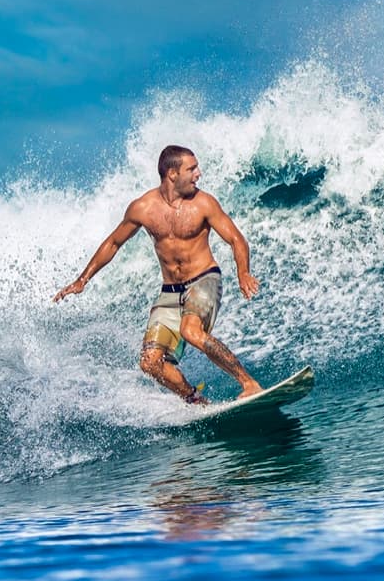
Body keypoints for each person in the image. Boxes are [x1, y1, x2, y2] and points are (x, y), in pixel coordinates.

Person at [53, 145, 264, 403]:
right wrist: (82, 280)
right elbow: (113, 243)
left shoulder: (203, 204)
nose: (198, 174)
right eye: (192, 169)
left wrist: (243, 272)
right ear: (172, 174)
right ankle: (196, 401)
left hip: (204, 279)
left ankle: (249, 383)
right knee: (150, 362)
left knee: (191, 331)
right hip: (170, 292)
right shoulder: (143, 208)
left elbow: (236, 239)